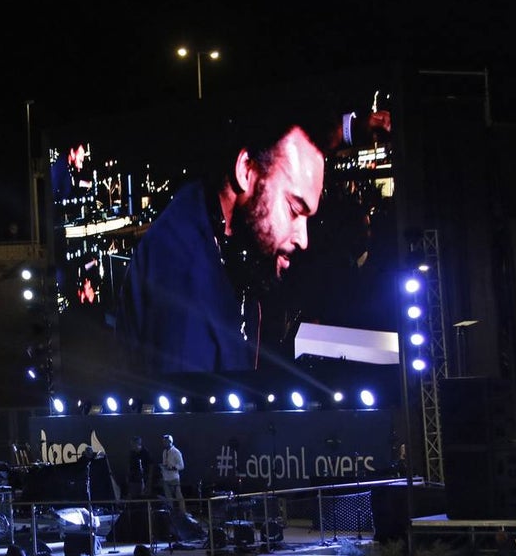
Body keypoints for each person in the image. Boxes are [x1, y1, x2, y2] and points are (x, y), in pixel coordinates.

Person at [115, 107, 390, 376]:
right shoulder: (185, 285)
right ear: (245, 170)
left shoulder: (209, 222)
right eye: (294, 210)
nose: (303, 239)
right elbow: (200, 416)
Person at [159, 433, 186, 513]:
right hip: (166, 478)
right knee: (168, 498)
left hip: (174, 478)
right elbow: (165, 463)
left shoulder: (176, 452)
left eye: (166, 441)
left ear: (170, 441)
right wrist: (163, 467)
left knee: (178, 496)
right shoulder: (164, 452)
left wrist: (172, 468)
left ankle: (183, 513)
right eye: (163, 441)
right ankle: (171, 514)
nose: (164, 443)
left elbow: (181, 465)